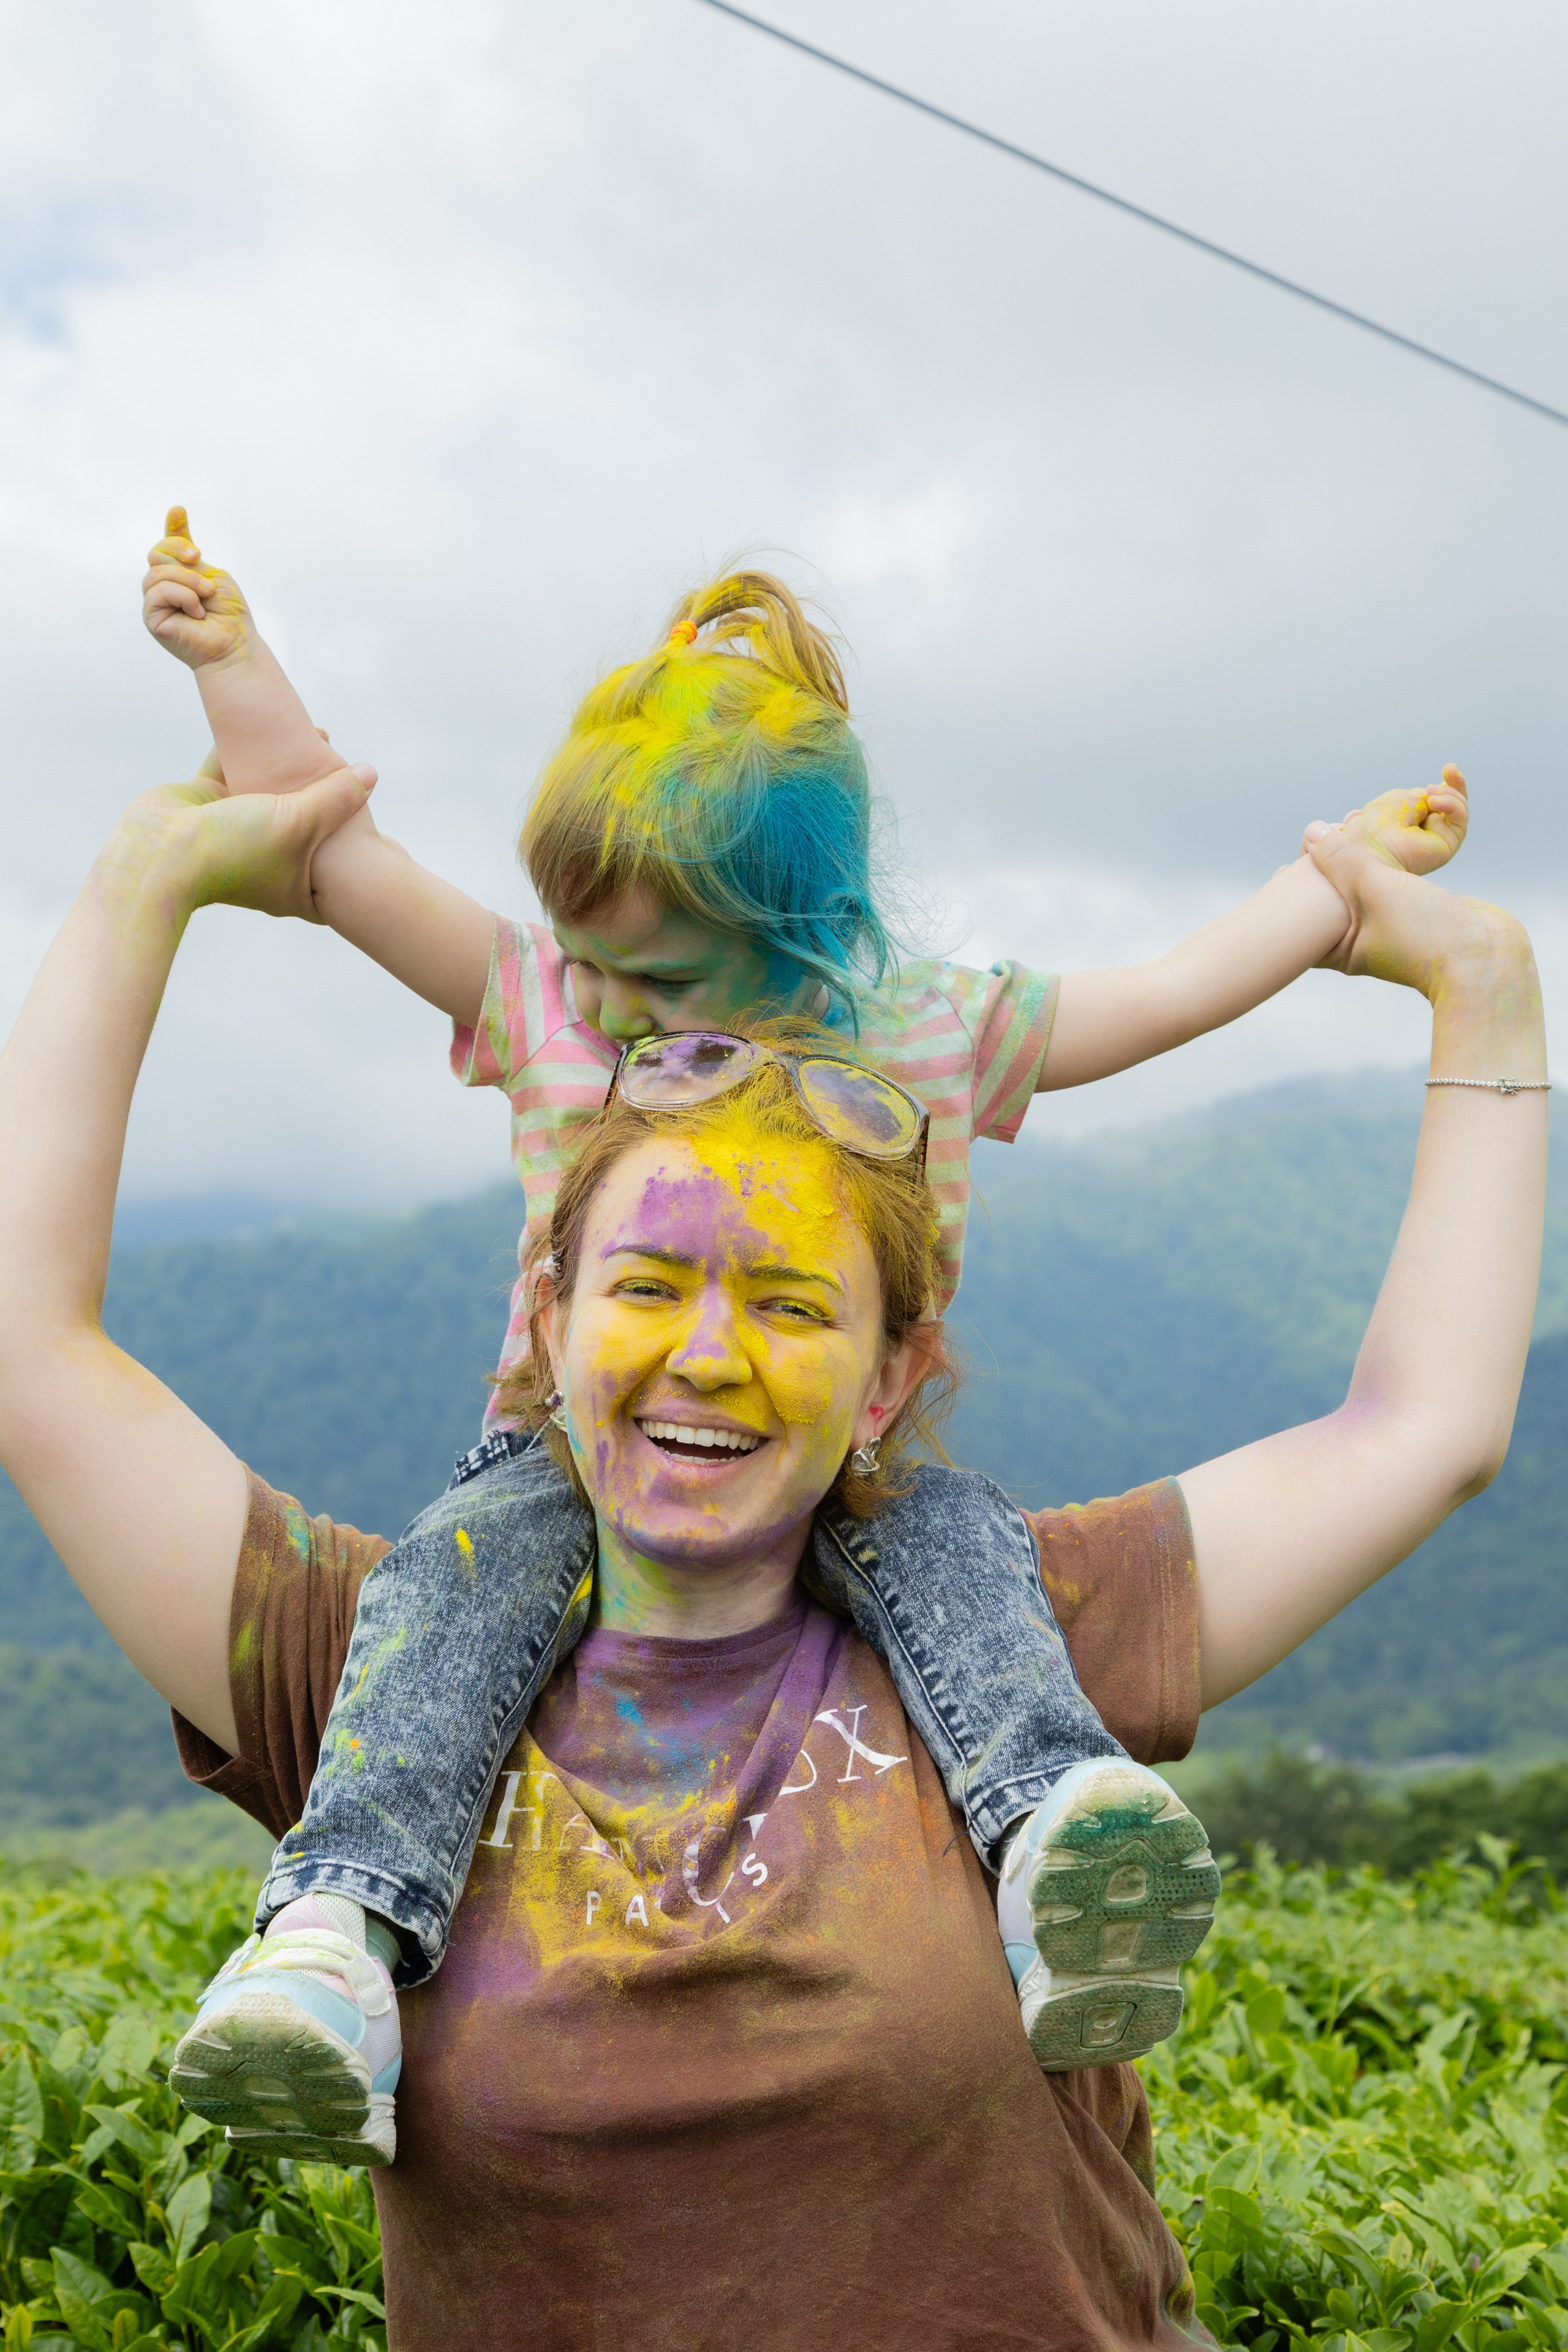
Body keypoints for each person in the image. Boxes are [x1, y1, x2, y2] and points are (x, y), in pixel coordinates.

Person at [0, 763, 1545, 2351]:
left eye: (794, 1305)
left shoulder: (1019, 1639)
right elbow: (31, 1352)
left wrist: (1484, 988)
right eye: (652, 1283)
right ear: (548, 1325)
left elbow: (1424, 1429)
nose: (710, 1358)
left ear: (886, 1378)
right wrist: (147, 874)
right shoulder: (380, 1665)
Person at [130, 513, 1472, 2122]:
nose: (611, 1003)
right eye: (585, 958)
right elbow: (337, 853)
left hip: (852, 1458)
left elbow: (1168, 989)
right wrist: (233, 665)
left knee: (971, 1569)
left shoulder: (925, 1028)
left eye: (661, 976)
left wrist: (1336, 889)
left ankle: (1059, 1842)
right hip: (578, 1455)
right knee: (453, 1603)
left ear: (794, 934)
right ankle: (337, 1935)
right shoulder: (551, 1006)